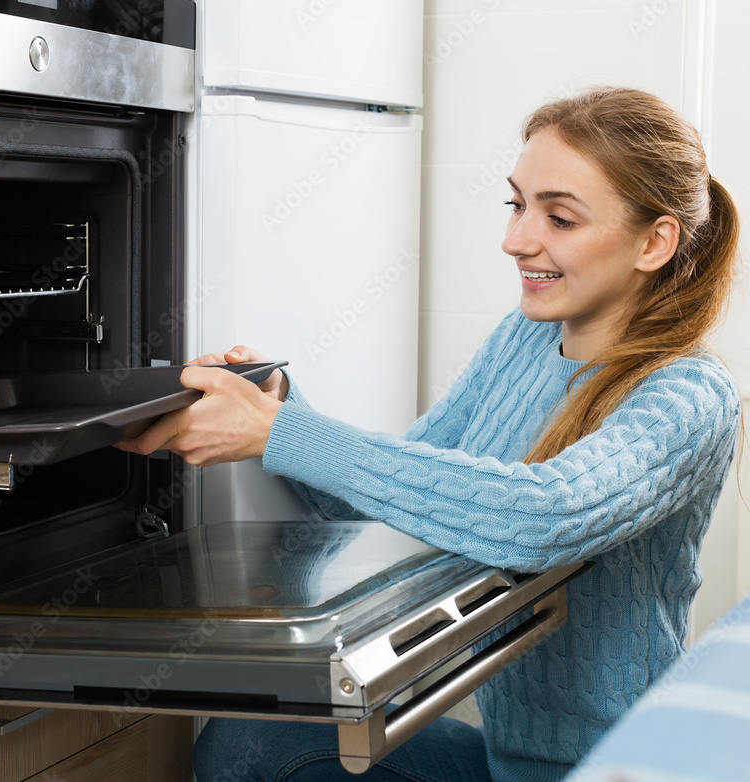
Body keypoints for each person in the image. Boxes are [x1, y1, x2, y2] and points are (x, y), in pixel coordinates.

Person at [117, 86, 742, 781]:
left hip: (606, 770)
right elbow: (399, 498)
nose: (516, 240)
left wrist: (277, 433)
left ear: (654, 242)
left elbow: (542, 516)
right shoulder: (524, 341)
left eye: (558, 217)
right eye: (517, 204)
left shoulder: (689, 396)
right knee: (246, 740)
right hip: (507, 762)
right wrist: (281, 406)